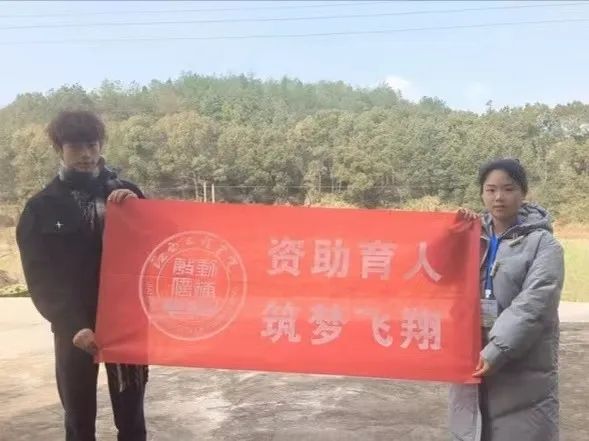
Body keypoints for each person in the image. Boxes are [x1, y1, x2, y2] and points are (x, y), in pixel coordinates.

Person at [16, 110, 148, 441]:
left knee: (131, 418)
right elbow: (41, 276)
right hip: (73, 328)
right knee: (78, 419)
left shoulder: (128, 195)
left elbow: (155, 251)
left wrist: (139, 212)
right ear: (59, 149)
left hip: (125, 323)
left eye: (92, 145)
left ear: (101, 145)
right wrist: (73, 324)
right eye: (76, 147)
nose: (86, 154)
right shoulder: (42, 207)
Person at [450, 158, 564, 441]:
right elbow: (438, 276)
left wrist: (497, 349)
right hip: (472, 358)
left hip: (522, 366)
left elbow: (535, 304)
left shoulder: (543, 244)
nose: (498, 197)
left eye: (508, 189)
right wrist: (453, 236)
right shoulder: (471, 236)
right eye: (490, 190)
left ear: (523, 192)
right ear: (482, 193)